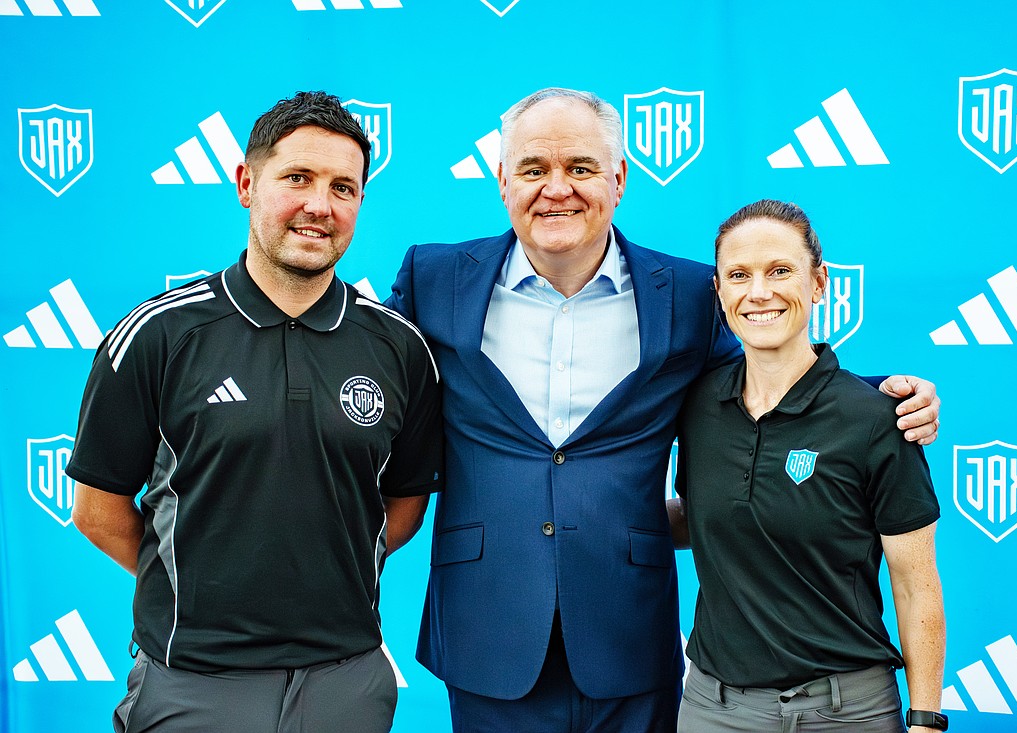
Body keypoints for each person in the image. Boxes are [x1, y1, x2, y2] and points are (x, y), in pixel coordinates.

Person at [386, 87, 941, 733]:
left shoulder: (683, 292)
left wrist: (879, 397)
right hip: (488, 622)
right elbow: (372, 381)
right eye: (534, 168)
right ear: (502, 178)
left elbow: (770, 370)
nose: (557, 188)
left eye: (582, 168)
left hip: (628, 629)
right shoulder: (435, 278)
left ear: (618, 178)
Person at [65, 91, 443, 733]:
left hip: (348, 682)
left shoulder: (399, 347)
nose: (319, 206)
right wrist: (203, 587)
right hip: (194, 684)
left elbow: (404, 506)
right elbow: (98, 512)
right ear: (246, 182)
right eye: (297, 178)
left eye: (343, 187)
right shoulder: (158, 334)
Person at [672, 199, 945, 733]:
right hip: (713, 710)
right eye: (739, 275)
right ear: (720, 293)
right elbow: (701, 515)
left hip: (847, 713)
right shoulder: (695, 405)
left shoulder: (880, 419)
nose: (760, 292)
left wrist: (926, 720)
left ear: (819, 282)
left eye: (780, 271)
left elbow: (916, 585)